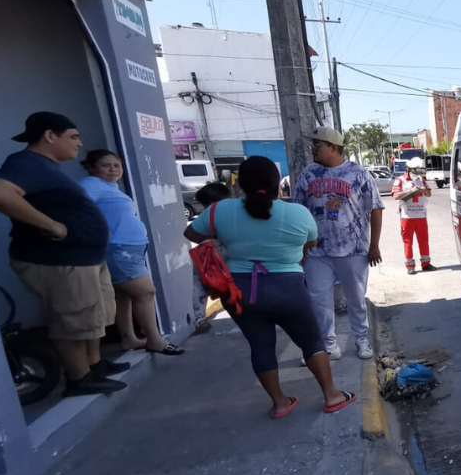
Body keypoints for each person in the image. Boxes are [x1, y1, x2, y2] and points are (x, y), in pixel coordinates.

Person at [184, 156, 355, 418]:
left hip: (239, 292)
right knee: (311, 341)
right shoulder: (298, 213)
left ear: (240, 183)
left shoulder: (219, 210)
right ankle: (331, 396)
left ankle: (279, 402)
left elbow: (193, 234)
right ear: (277, 184)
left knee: (261, 345)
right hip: (288, 289)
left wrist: (230, 238)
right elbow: (309, 245)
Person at [0, 112, 127, 396]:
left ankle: (93, 366)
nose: (79, 144)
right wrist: (52, 225)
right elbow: (0, 194)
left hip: (83, 259)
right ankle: (79, 378)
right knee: (72, 320)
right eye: (73, 136)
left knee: (92, 317)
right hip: (59, 260)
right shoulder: (25, 163)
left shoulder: (46, 167)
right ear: (50, 136)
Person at [79, 150, 184, 356]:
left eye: (116, 165)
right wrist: (98, 230)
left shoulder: (110, 187)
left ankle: (129, 338)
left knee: (123, 295)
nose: (113, 170)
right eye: (105, 165)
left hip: (129, 247)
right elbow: (77, 208)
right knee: (145, 292)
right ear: (91, 167)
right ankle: (155, 340)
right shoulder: (90, 185)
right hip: (118, 248)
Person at [292, 127, 383, 360]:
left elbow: (375, 208)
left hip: (352, 249)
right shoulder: (308, 175)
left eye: (318, 145)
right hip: (316, 251)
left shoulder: (358, 174)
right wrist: (299, 246)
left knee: (356, 299)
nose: (313, 149)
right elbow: (298, 211)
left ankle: (361, 338)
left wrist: (374, 245)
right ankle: (328, 345)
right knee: (319, 300)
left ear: (333, 148)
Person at [190, 182, 233, 334]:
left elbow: (190, 232)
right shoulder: (235, 210)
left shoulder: (211, 212)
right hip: (232, 252)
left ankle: (200, 318)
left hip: (212, 251)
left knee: (198, 281)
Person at [391, 160, 436, 275]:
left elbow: (429, 194)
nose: (421, 171)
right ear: (411, 169)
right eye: (418, 169)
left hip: (421, 215)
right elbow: (395, 195)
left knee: (424, 240)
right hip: (407, 216)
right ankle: (410, 266)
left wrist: (425, 191)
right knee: (408, 241)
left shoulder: (421, 179)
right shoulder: (400, 180)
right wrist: (410, 191)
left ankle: (426, 263)